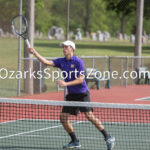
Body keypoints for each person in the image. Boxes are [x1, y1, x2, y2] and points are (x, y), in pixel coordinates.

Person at [28, 40, 115, 150]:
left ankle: (108, 137)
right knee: (63, 118)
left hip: (82, 93)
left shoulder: (79, 62)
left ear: (72, 49)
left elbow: (80, 79)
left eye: (66, 47)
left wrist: (66, 83)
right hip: (71, 95)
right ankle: (75, 141)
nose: (64, 49)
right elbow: (46, 62)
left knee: (89, 116)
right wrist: (34, 52)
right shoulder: (61, 61)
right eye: (63, 47)